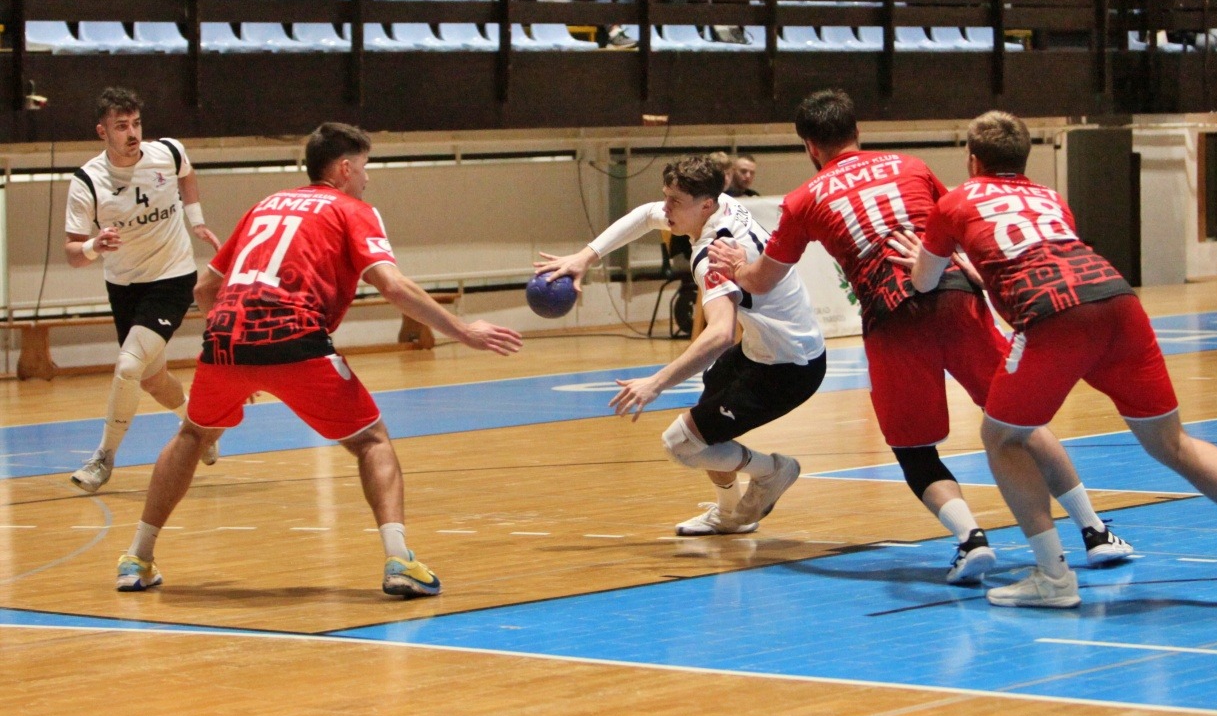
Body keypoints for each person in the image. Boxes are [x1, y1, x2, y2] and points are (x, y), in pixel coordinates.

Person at [896, 110, 1217, 609]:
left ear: (972, 159)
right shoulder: (1050, 198)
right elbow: (1040, 257)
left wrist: (943, 265)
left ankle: (1053, 577)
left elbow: (925, 281)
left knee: (1002, 438)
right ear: (1025, 158)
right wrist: (986, 274)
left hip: (1055, 314)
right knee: (1174, 443)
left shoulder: (953, 202)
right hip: (1118, 301)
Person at [709, 90, 1134, 583]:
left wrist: (737, 267)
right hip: (955, 296)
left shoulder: (804, 199)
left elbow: (763, 281)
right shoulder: (911, 166)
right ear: (858, 132)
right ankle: (1094, 531)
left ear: (809, 146)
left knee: (915, 451)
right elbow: (959, 224)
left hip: (892, 316)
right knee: (1020, 419)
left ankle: (971, 540)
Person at [113, 122, 523, 596]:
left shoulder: (265, 205)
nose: (367, 178)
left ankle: (136, 558)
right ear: (345, 169)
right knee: (371, 440)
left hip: (225, 336)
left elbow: (205, 289)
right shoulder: (354, 209)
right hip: (295, 335)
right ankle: (399, 561)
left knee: (192, 435)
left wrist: (242, 347)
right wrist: (464, 331)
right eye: (364, 168)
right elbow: (393, 286)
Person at [535, 154, 824, 535]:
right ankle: (729, 514)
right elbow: (644, 215)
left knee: (680, 444)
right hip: (764, 349)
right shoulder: (722, 204)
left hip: (790, 367)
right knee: (706, 426)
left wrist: (656, 382)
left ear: (705, 205)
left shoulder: (712, 254)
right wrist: (585, 257)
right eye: (666, 197)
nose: (666, 208)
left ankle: (773, 470)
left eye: (675, 202)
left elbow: (720, 333)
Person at [66, 88, 221, 494]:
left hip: (172, 277)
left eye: (135, 123)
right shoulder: (87, 181)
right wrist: (94, 246)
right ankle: (201, 427)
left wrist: (196, 219)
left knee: (128, 365)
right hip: (124, 286)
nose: (132, 133)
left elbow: (187, 173)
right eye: (121, 126)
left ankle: (103, 458)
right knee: (154, 381)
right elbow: (72, 254)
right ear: (102, 132)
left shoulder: (167, 152)